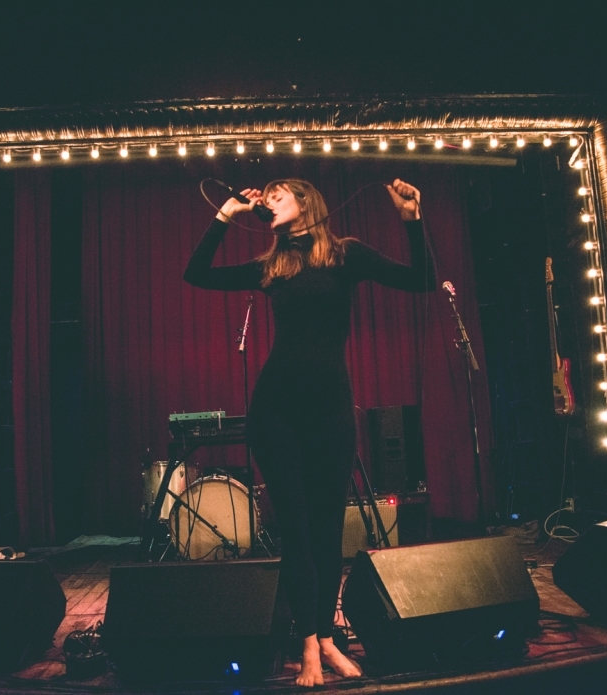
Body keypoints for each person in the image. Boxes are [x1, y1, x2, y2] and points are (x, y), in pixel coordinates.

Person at [183, 177, 434, 686]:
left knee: (326, 532)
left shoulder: (346, 255)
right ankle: (307, 644)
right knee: (297, 531)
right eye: (267, 196)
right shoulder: (271, 266)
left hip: (330, 411)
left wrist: (412, 221)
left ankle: (325, 638)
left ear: (306, 202)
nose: (268, 200)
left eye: (278, 194)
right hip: (276, 412)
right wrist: (227, 212)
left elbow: (423, 280)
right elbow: (196, 274)